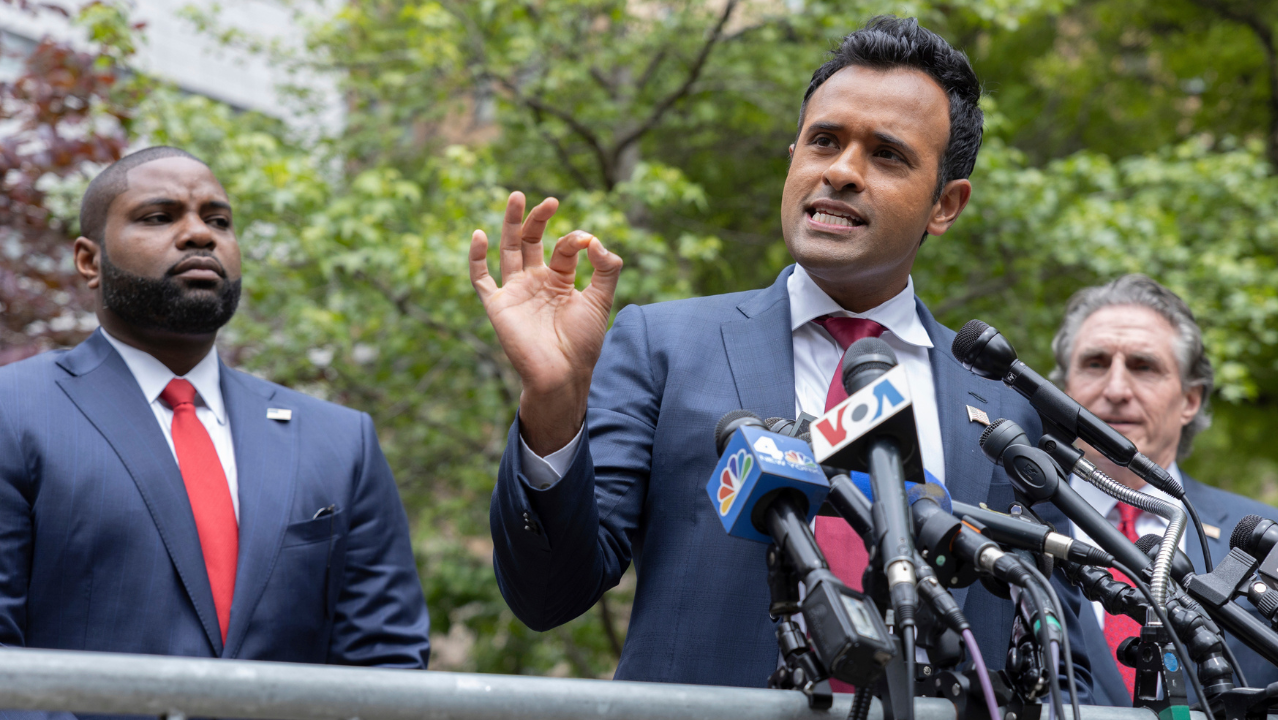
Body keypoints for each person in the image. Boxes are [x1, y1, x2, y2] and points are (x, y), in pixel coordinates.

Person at [470, 16, 1096, 696]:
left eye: (887, 155)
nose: (841, 172)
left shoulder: (1003, 404)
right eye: (823, 141)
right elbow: (548, 596)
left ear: (945, 205)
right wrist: (553, 403)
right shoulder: (665, 346)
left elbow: (1062, 659)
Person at [0, 147, 431, 670]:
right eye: (158, 217)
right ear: (90, 261)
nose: (199, 235)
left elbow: (384, 660)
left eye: (218, 221)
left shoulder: (341, 441)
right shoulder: (16, 410)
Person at [1052, 273, 1278, 705]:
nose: (1116, 390)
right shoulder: (1007, 524)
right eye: (1095, 364)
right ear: (1065, 390)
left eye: (1144, 367)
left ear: (1190, 400)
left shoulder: (1266, 540)